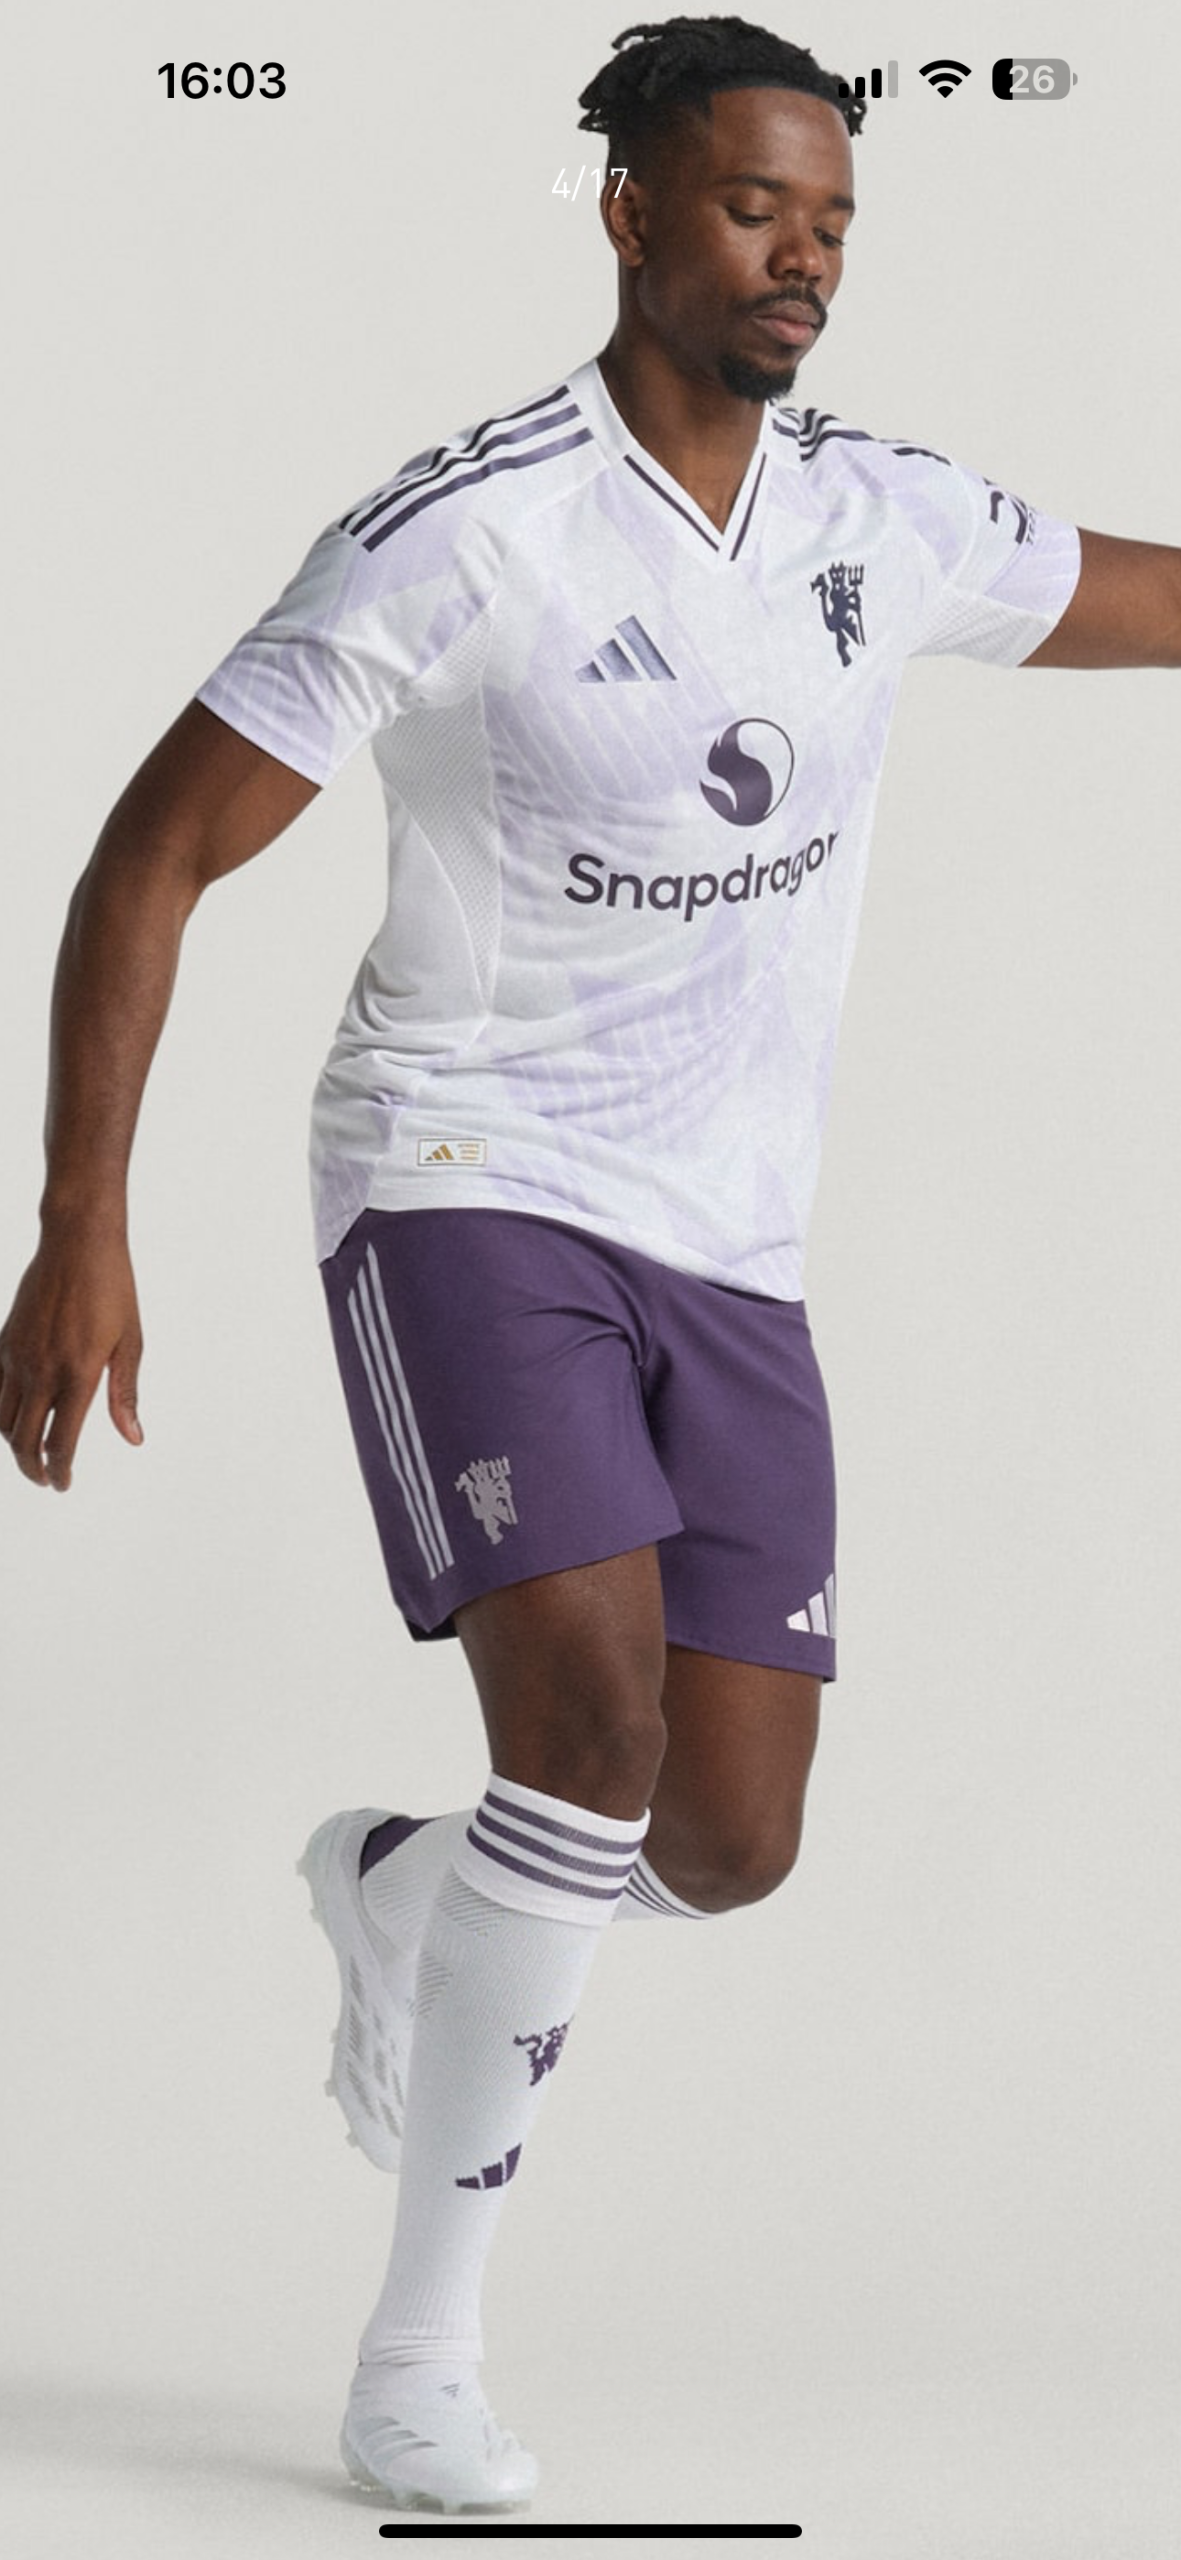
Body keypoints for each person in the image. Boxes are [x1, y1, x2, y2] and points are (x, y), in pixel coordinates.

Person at [2, 8, 1178, 2518]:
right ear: (630, 212)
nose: (802, 260)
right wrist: (78, 1221)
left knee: (726, 1835)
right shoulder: (470, 529)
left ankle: (398, 1885)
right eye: (753, 209)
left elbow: (1145, 596)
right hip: (464, 1169)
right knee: (590, 1738)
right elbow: (151, 849)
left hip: (726, 1238)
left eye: (833, 221)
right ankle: (412, 2362)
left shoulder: (875, 515)